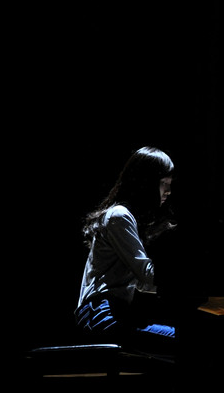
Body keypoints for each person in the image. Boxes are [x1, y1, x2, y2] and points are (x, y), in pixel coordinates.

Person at [76, 146, 179, 353]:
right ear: (146, 182)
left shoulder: (123, 216)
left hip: (111, 311)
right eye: (164, 184)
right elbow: (146, 273)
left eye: (170, 184)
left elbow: (143, 282)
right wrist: (186, 283)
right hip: (100, 313)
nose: (168, 191)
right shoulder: (119, 216)